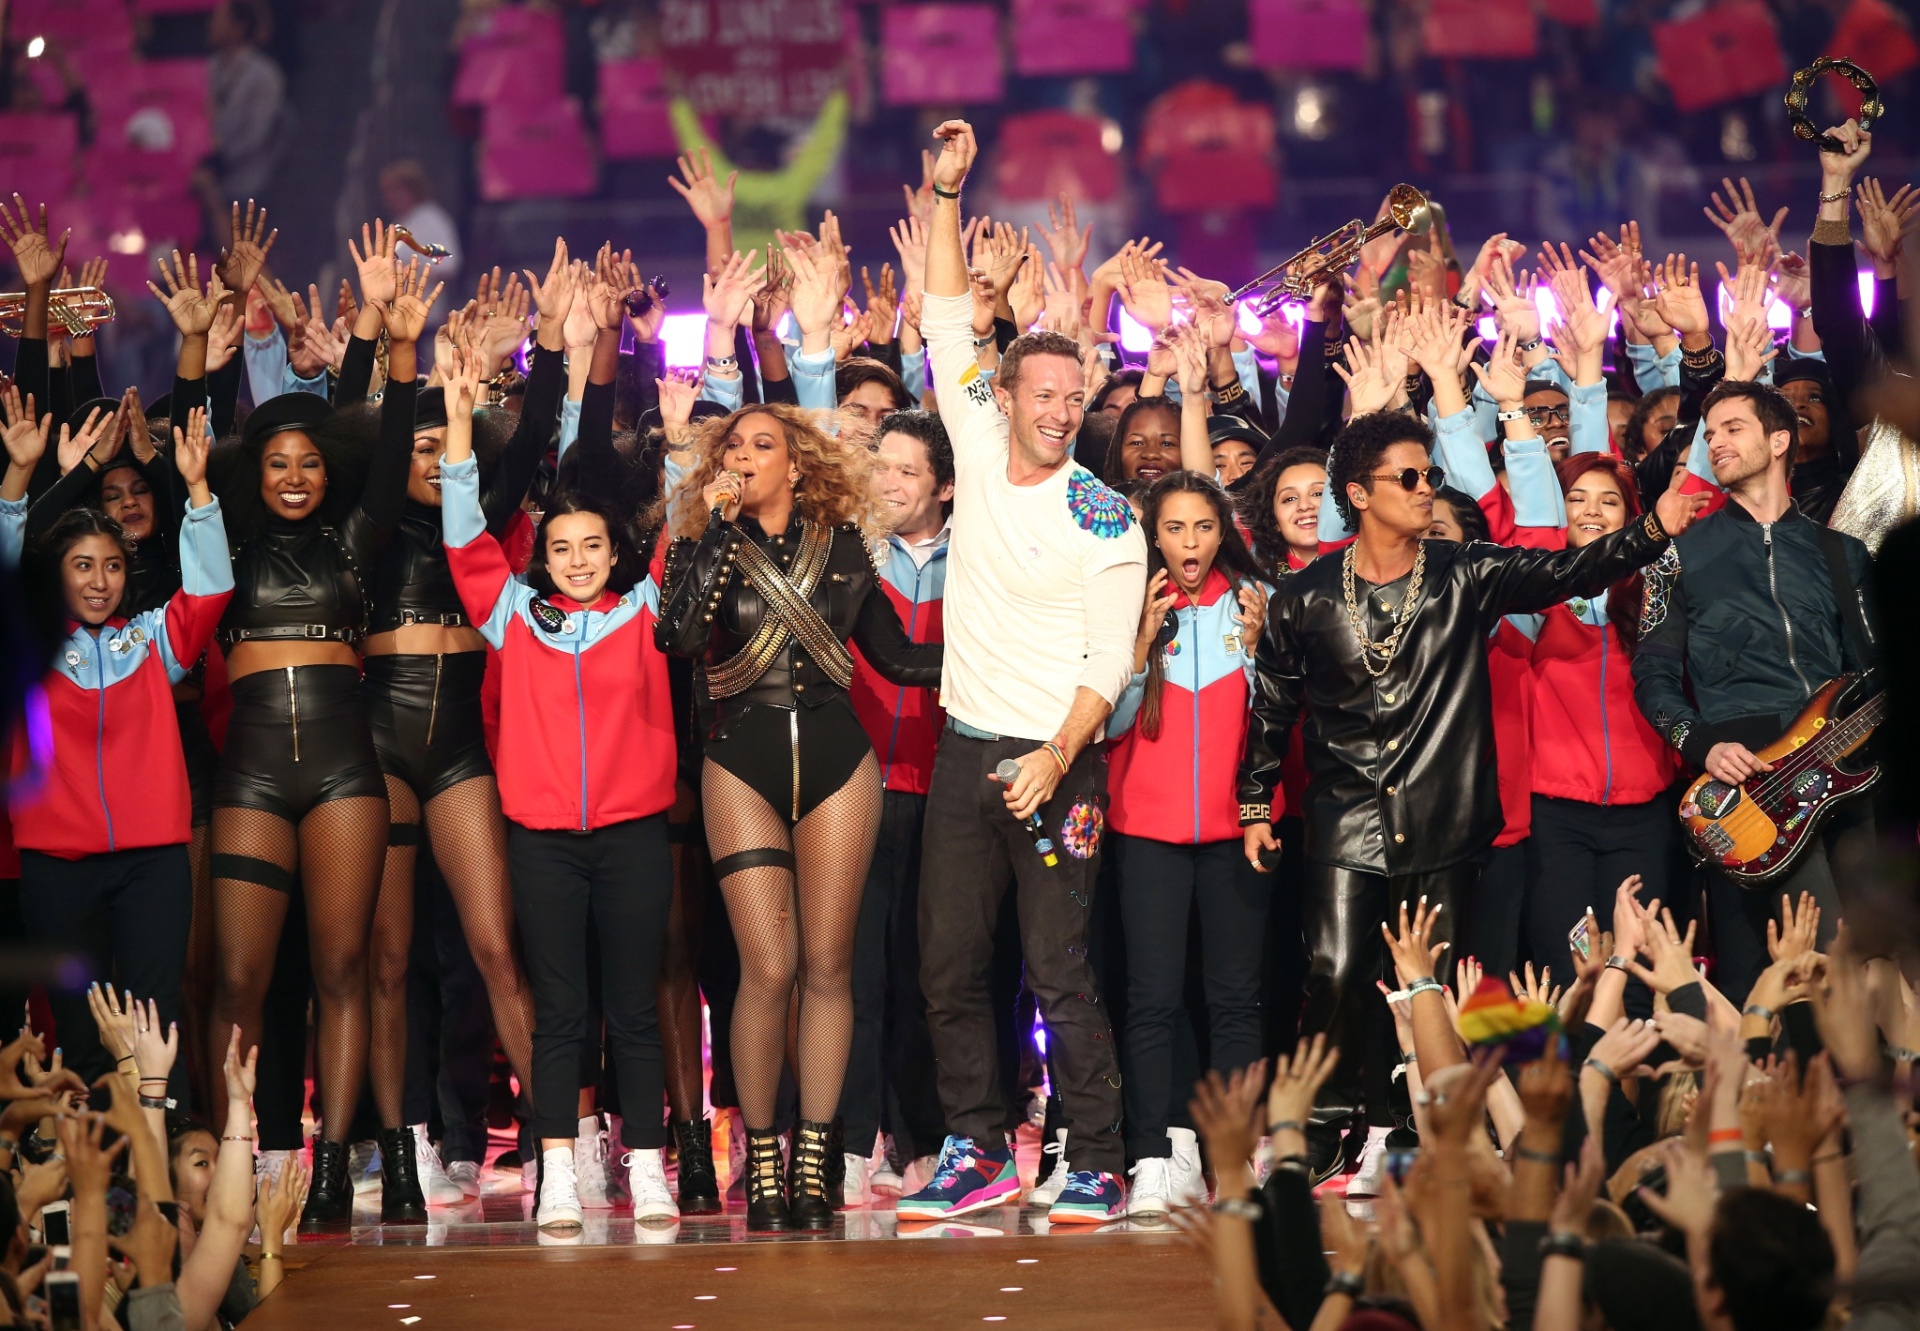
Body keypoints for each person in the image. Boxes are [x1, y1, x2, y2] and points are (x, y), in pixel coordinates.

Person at [1236, 389, 1706, 1180]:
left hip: (1446, 819)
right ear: (1359, 494)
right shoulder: (1306, 596)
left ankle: (1414, 1121)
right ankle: (1319, 1127)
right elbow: (1271, 707)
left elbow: (1570, 568)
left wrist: (1652, 527)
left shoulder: (1464, 573)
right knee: (1337, 971)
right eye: (1410, 478)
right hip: (1345, 818)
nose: (1428, 490)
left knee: (1435, 983)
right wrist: (1255, 807)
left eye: (1428, 476)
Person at [902, 120, 1147, 1226]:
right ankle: (976, 1146)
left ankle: (1095, 1154)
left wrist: (1056, 756)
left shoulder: (1107, 514)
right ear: (1002, 396)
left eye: (1072, 396)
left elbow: (1109, 660)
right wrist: (944, 194)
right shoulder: (966, 426)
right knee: (950, 966)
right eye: (1040, 393)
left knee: (1061, 970)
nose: (1057, 411)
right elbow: (950, 309)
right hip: (965, 754)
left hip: (1061, 765)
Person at [656, 402, 942, 1232]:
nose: (745, 456)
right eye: (733, 446)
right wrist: (712, 528)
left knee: (827, 964)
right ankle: (767, 1151)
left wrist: (1009, 652)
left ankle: (819, 1152)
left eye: (762, 444)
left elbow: (896, 658)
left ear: (798, 462)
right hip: (737, 762)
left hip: (836, 762)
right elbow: (676, 639)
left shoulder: (846, 547)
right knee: (767, 968)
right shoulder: (701, 544)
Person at [203, 253, 436, 1229]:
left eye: (309, 461)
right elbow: (199, 434)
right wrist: (199, 352)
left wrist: (399, 344)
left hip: (346, 768)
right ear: (256, 474)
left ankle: (334, 1162)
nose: (296, 474)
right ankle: (233, 1162)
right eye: (277, 462)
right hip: (253, 772)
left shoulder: (357, 539)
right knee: (240, 979)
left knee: (345, 969)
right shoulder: (229, 540)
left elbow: (384, 446)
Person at [437, 350, 682, 1231]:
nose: (577, 561)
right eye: (561, 549)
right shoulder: (512, 616)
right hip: (541, 839)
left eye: (592, 547)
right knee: (559, 1017)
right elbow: (464, 539)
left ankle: (647, 1168)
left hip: (633, 838)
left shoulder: (646, 608)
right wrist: (460, 429)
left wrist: (685, 443)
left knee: (637, 1010)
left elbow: (682, 531)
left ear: (617, 552)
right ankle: (557, 1177)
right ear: (541, 557)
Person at [355, 240, 573, 1211]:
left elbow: (527, 446)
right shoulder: (365, 524)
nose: (428, 455)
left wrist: (556, 350)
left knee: (494, 946)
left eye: (441, 444)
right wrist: (402, 351)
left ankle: (555, 1145)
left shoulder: (471, 515)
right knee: (389, 957)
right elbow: (382, 423)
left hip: (460, 752)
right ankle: (400, 1153)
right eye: (414, 443)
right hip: (377, 738)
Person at [1, 395, 228, 1111]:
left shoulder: (152, 641)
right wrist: (18, 477)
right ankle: (105, 1201)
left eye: (110, 566)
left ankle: (171, 1201)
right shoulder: (30, 648)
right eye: (81, 566)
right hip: (56, 870)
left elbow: (213, 586)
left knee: (155, 1026)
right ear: (54, 575)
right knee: (84, 1035)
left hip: (152, 864)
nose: (99, 580)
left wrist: (196, 489)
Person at [1632, 380, 1875, 1004]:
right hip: (1750, 781)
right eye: (1708, 434)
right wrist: (1703, 744)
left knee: (1867, 965)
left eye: (1732, 428)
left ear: (1779, 440)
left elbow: (1874, 670)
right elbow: (1652, 674)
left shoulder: (1843, 554)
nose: (1715, 442)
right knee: (1787, 974)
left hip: (1849, 770)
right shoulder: (1675, 557)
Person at [1106, 470, 1272, 1217]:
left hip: (1240, 830)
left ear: (1223, 531)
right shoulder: (1126, 605)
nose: (1189, 543)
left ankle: (1231, 1153)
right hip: (1145, 829)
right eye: (1174, 528)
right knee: (1152, 997)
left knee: (1235, 997)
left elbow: (1284, 718)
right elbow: (1104, 725)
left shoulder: (1253, 602)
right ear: (1153, 535)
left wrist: (1263, 648)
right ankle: (1156, 1153)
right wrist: (1139, 647)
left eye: (1202, 527)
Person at [842, 408, 954, 1205]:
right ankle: (852, 1138)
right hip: (848, 792)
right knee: (850, 976)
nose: (889, 481)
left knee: (927, 978)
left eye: (908, 470)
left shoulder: (979, 560)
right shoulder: (847, 555)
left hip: (944, 793)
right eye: (881, 464)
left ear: (945, 486)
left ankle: (922, 1138)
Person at [1515, 453, 1678, 969]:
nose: (1592, 511)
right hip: (1556, 816)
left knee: (1637, 971)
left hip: (1644, 813)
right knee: (1571, 969)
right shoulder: (1530, 596)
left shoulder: (1655, 595)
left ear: (1631, 518)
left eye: (1609, 501)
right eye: (1576, 498)